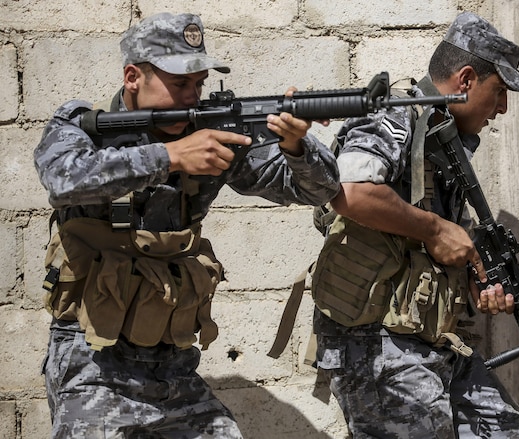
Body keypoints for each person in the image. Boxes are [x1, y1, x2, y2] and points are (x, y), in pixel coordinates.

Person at [34, 12, 339, 438]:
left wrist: (295, 144)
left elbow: (318, 191)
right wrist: (170, 157)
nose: (192, 96)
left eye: (198, 83)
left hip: (173, 362)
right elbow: (63, 178)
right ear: (132, 76)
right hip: (93, 357)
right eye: (179, 84)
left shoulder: (211, 132)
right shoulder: (84, 124)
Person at [311, 11, 519, 438]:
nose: (503, 109)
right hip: (374, 344)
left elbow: (433, 246)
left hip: (431, 340)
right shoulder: (392, 118)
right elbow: (350, 191)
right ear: (467, 79)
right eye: (500, 92)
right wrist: (435, 230)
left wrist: (479, 280)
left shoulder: (444, 141)